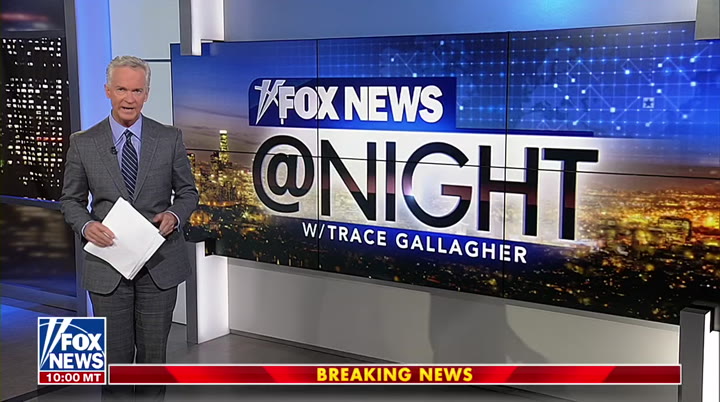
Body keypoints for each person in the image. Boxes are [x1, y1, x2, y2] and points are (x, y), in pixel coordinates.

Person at [60, 55, 199, 400]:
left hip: (159, 265)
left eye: (137, 91)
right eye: (121, 89)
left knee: (153, 361)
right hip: (108, 264)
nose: (129, 98)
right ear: (108, 90)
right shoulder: (84, 142)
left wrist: (174, 216)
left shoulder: (168, 138)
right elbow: (70, 201)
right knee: (115, 361)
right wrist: (86, 225)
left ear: (146, 94)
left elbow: (188, 192)